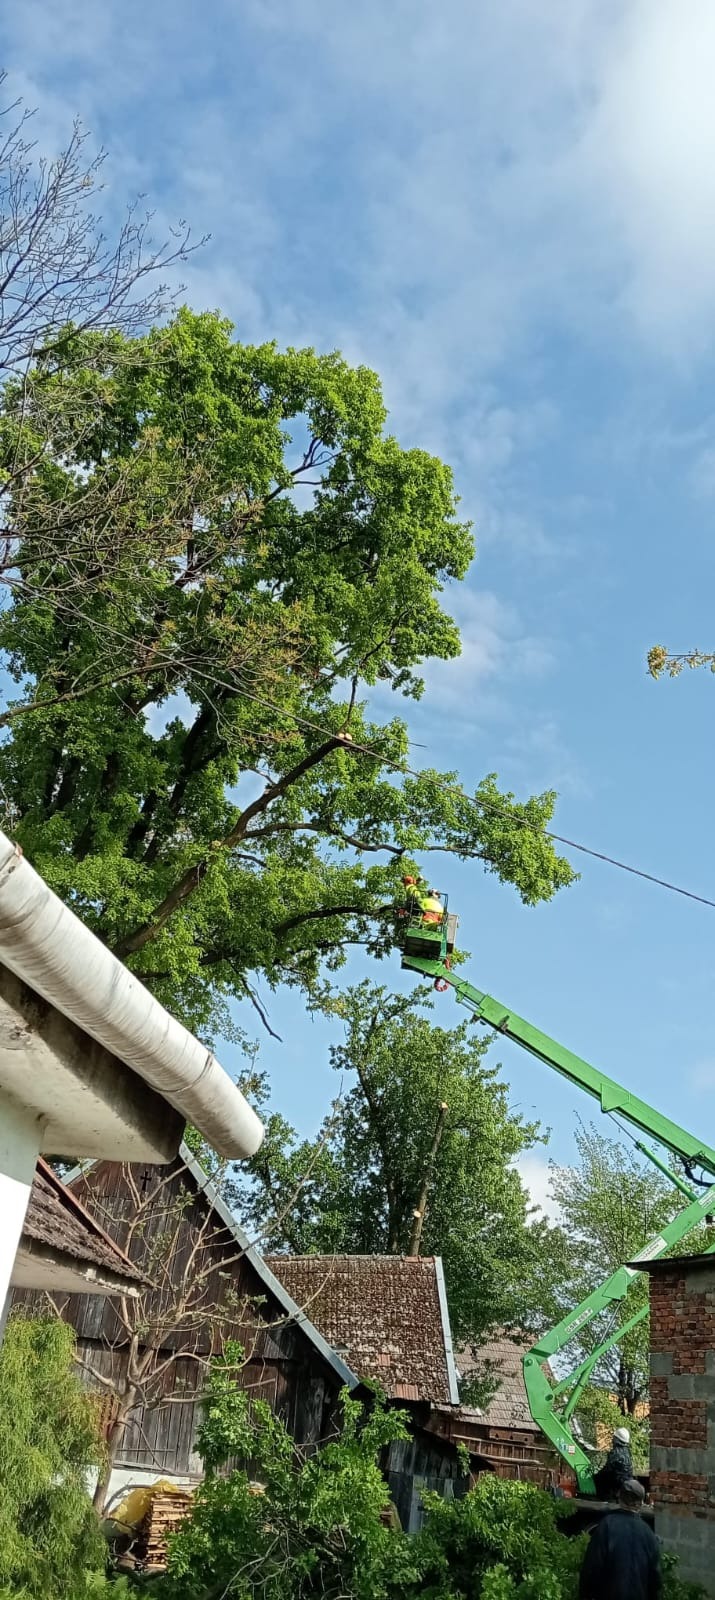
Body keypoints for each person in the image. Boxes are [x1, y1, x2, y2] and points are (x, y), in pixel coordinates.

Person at [579, 1478, 661, 1600]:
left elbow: (591, 1568)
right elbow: (655, 1581)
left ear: (620, 1498)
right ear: (641, 1503)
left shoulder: (607, 1526)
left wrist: (586, 1595)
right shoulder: (648, 1534)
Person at [595, 1426, 633, 1501]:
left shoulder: (615, 1452)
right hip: (626, 1479)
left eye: (614, 1437)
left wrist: (597, 1476)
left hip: (616, 1482)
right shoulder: (627, 1452)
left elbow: (608, 1469)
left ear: (616, 1439)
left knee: (599, 1480)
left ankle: (603, 1500)